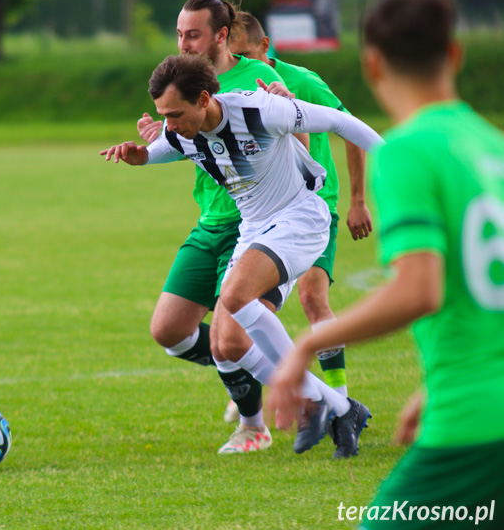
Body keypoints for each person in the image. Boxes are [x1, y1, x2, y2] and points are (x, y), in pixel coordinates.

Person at [268, 0, 504, 525]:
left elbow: (421, 289)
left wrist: (310, 342)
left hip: (475, 423)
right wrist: (434, 386)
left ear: (372, 64)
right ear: (455, 55)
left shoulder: (405, 150)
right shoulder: (488, 144)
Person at [103, 53, 379, 457]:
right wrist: (141, 155)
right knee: (228, 345)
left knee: (233, 296)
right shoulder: (181, 129)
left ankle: (312, 404)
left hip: (299, 218)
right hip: (254, 230)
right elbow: (166, 145)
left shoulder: (259, 109)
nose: (170, 124)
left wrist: (398, 163)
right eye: (165, 115)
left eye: (175, 113)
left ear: (203, 99)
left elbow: (339, 122)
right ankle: (340, 408)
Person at [135, 0, 295, 454]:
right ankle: (247, 364)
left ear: (221, 35)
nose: (184, 42)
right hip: (210, 219)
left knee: (231, 335)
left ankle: (253, 425)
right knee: (169, 330)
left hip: (256, 224)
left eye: (194, 34)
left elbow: (298, 141)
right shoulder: (180, 81)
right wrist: (153, 143)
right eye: (179, 34)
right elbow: (183, 140)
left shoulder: (261, 77)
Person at [229, 11, 374, 399]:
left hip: (312, 205)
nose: (239, 63)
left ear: (264, 47)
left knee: (312, 297)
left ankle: (339, 398)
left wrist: (358, 200)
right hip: (262, 213)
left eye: (246, 54)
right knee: (247, 306)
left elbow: (350, 129)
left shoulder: (301, 82)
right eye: (232, 55)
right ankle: (272, 388)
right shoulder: (229, 89)